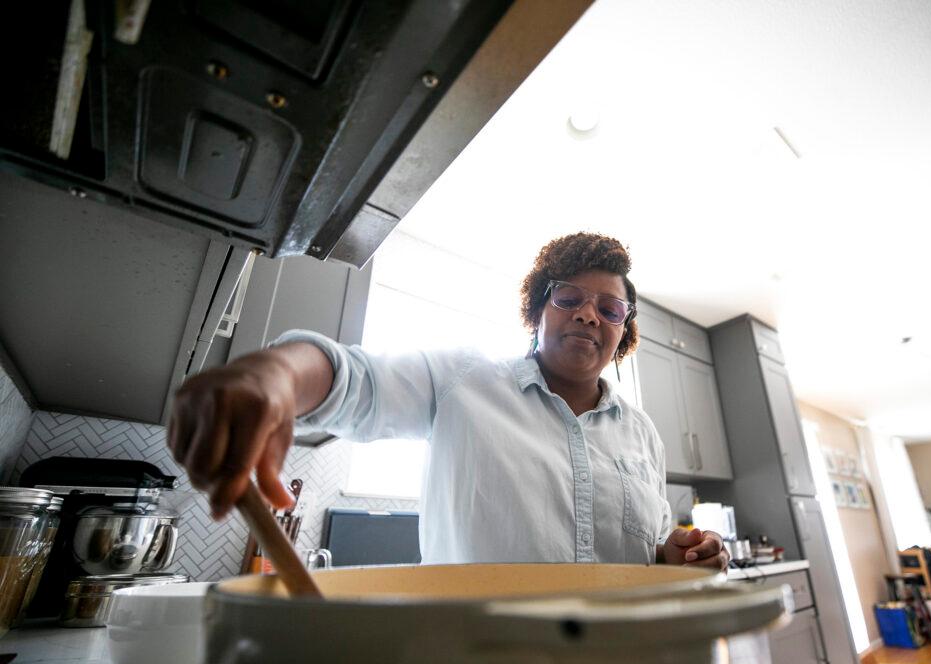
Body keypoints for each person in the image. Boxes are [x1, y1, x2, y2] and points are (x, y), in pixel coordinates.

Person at [168, 232, 728, 571]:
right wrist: (274, 375)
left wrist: (678, 556)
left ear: (622, 333)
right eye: (569, 298)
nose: (588, 314)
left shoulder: (643, 435)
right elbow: (356, 380)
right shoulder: (464, 382)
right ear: (537, 312)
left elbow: (651, 551)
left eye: (610, 309)